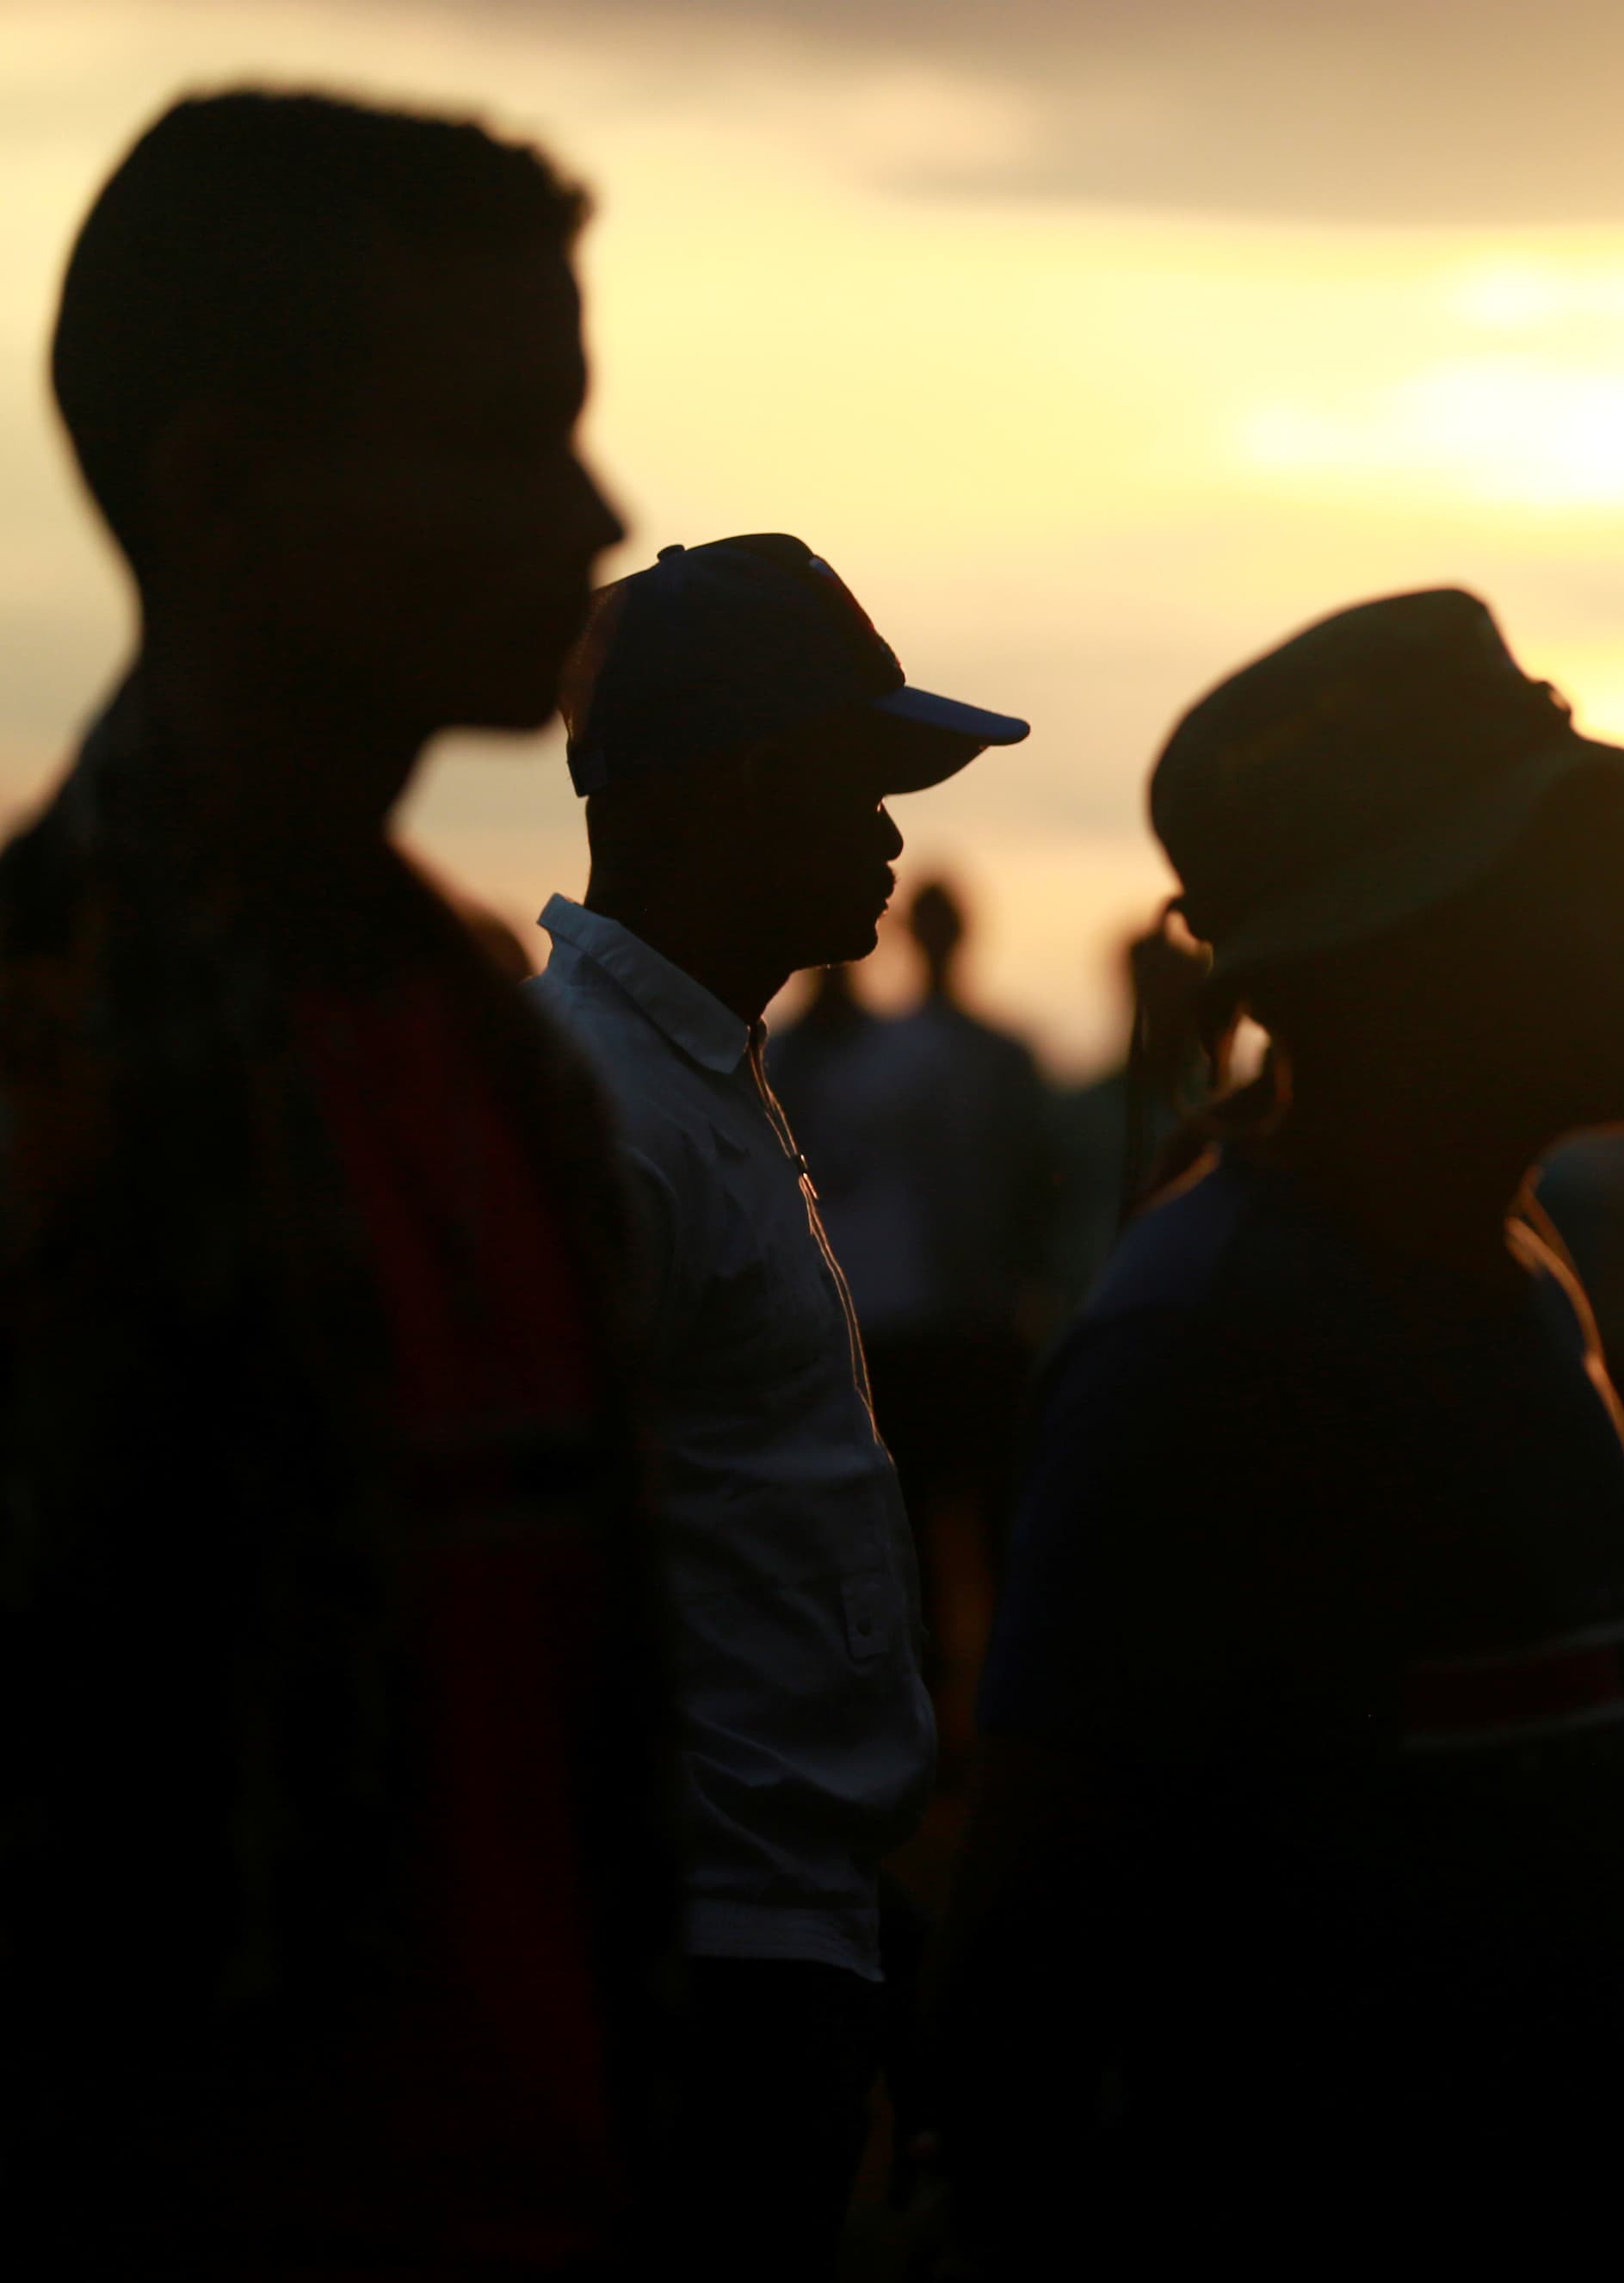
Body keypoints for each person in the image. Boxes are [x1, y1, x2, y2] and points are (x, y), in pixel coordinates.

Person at [0, 90, 668, 2274]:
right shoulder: (51, 1054)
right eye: (498, 434)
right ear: (220, 486)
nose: (588, 505)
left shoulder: (487, 1037)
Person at [939, 589, 1624, 2278]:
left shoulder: (1502, 1268)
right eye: (1584, 871)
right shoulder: (1211, 1353)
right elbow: (1034, 1951)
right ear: (1422, 953)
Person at [531, 531, 1029, 2275]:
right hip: (689, 1967)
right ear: (743, 787)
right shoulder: (608, 1118)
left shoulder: (681, 1083)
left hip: (758, 1929)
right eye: (862, 780)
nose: (894, 831)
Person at [769, 874, 1056, 1721]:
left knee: (965, 1519)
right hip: (908, 1323)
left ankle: (988, 1703)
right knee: (929, 1526)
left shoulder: (943, 1052)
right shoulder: (881, 1051)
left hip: (951, 1319)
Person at [1040, 916, 1219, 1308]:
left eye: (1173, 989)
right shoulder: (1084, 1112)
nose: (1162, 1005)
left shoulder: (1217, 1113)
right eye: (1153, 988)